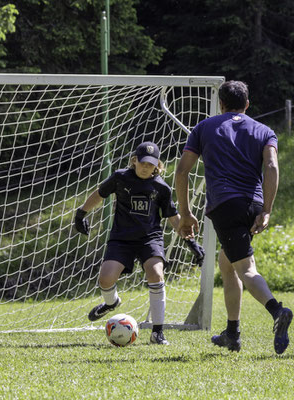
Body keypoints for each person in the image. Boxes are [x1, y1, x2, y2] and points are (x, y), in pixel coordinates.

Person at [175, 80, 294, 355]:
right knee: (226, 263)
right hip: (253, 204)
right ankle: (232, 333)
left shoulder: (204, 127)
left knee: (246, 269)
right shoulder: (265, 131)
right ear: (247, 104)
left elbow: (182, 171)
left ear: (221, 103)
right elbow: (272, 165)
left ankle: (278, 311)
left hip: (225, 205)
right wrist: (266, 209)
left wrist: (185, 214)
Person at [73, 142, 203, 345]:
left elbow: (173, 217)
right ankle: (111, 302)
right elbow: (100, 193)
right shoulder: (120, 177)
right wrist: (81, 214)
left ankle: (157, 332)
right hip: (121, 238)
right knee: (106, 279)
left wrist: (191, 242)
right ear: (134, 161)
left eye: (150, 165)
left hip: (149, 238)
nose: (145, 167)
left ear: (157, 165)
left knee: (156, 273)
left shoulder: (161, 187)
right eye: (142, 162)